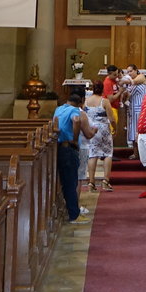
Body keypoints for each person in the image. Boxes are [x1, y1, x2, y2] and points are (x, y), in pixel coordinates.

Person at [53, 90, 95, 222]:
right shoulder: (75, 111)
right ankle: (74, 215)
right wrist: (75, 140)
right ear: (80, 103)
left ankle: (70, 210)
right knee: (71, 182)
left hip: (58, 147)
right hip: (68, 148)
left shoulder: (59, 109)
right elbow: (76, 121)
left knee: (66, 182)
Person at [83, 86, 115, 191]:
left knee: (92, 154)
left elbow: (83, 114)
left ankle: (91, 183)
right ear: (102, 90)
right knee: (107, 153)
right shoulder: (104, 101)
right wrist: (115, 128)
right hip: (103, 129)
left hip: (91, 128)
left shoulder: (86, 101)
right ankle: (105, 181)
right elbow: (111, 119)